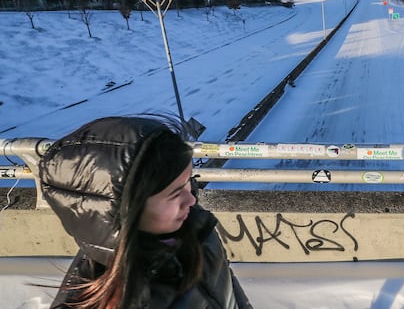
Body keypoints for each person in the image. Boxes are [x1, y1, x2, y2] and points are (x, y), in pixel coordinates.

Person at [38, 115, 252, 308]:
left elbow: (231, 294)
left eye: (189, 182)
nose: (191, 199)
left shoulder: (196, 230)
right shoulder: (115, 297)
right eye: (175, 193)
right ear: (129, 210)